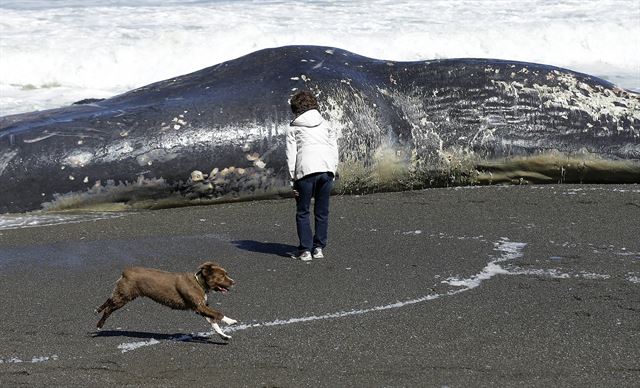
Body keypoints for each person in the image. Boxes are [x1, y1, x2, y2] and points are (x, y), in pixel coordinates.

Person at [286, 90, 339, 261]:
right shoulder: (326, 124)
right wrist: (333, 170)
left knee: (303, 211)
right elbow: (333, 149)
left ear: (296, 109)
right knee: (322, 212)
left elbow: (291, 154)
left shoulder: (293, 127)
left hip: (305, 171)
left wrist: (293, 179)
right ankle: (319, 248)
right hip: (326, 170)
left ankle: (305, 250)